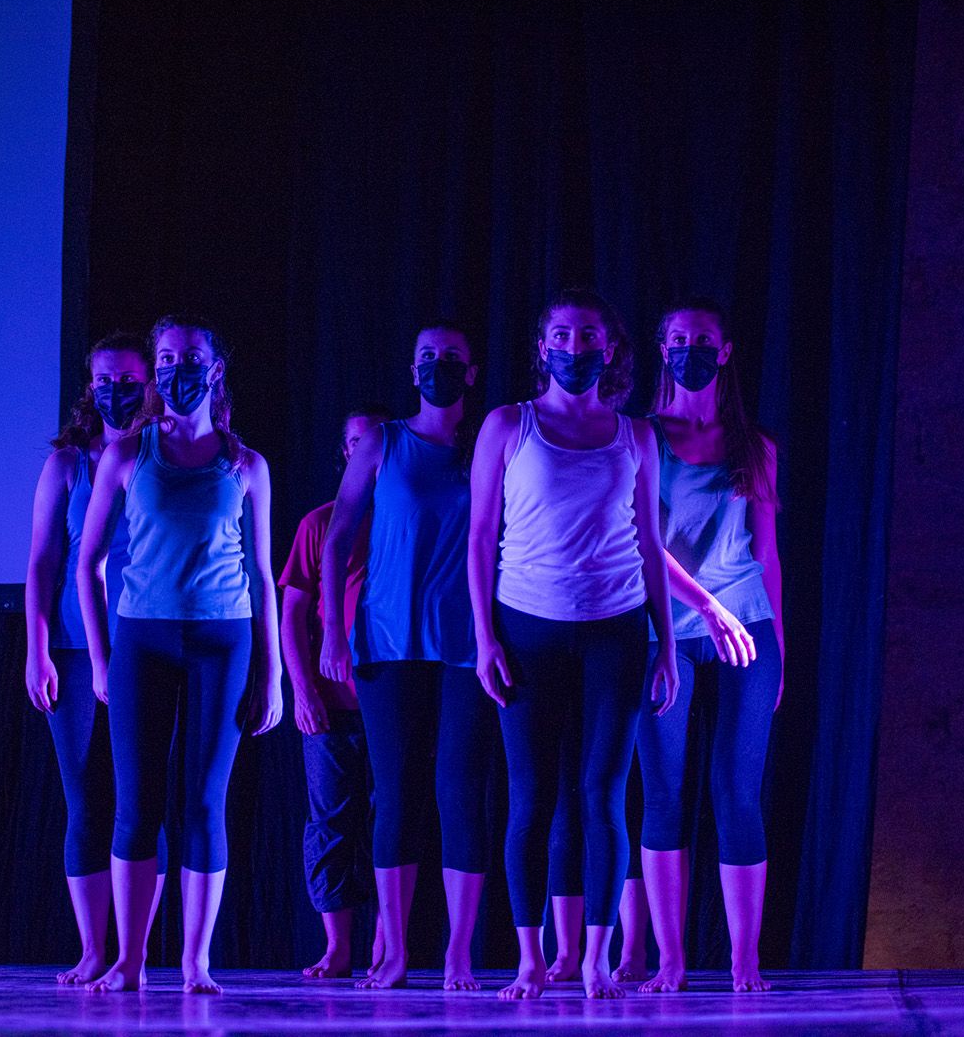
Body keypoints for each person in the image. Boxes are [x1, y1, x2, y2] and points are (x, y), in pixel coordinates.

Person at [468, 288, 685, 1001]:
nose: (574, 346)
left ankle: (596, 958)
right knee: (530, 796)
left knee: (602, 795)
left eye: (589, 335)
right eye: (561, 334)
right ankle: (531, 960)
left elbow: (651, 544)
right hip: (526, 624)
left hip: (615, 629)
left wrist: (668, 646)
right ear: (542, 346)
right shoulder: (508, 425)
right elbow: (479, 536)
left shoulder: (636, 435)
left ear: (611, 349)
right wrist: (484, 637)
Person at [77, 314, 282, 995]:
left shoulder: (246, 464)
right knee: (136, 805)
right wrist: (102, 660)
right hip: (144, 637)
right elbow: (88, 564)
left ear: (215, 368)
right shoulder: (128, 455)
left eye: (190, 357)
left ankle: (195, 963)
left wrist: (273, 675)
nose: (175, 369)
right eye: (165, 358)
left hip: (224, 639)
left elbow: (261, 573)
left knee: (203, 802)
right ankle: (130, 961)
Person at [320, 322, 496, 992]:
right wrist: (335, 632)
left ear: (470, 372)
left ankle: (457, 954)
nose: (436, 366)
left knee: (459, 791)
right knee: (393, 795)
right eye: (425, 355)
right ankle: (391, 950)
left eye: (450, 357)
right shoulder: (382, 442)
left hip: (464, 647)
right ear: (410, 366)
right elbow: (336, 539)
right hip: (386, 643)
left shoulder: (484, 447)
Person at [629, 298, 785, 994]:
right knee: (663, 792)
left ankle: (743, 961)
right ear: (664, 351)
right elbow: (642, 545)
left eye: (703, 340)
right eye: (678, 340)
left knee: (737, 792)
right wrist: (707, 609)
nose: (690, 349)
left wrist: (778, 643)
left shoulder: (756, 446)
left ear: (724, 352)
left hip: (746, 626)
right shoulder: (641, 438)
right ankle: (669, 959)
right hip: (669, 629)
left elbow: (768, 552)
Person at [25, 333, 169, 985]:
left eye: (130, 378)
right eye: (105, 378)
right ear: (91, 385)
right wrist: (37, 651)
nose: (117, 389)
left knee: (142, 800)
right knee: (86, 799)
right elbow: (43, 563)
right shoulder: (67, 465)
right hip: (76, 648)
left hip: (146, 642)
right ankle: (92, 948)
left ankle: (132, 952)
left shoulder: (168, 458)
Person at [280, 403, 393, 979]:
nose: (362, 450)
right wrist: (301, 691)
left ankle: (385, 945)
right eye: (353, 442)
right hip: (330, 702)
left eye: (373, 440)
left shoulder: (403, 518)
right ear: (344, 453)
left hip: (391, 701)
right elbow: (293, 613)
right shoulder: (319, 523)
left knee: (389, 820)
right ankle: (338, 946)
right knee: (330, 821)